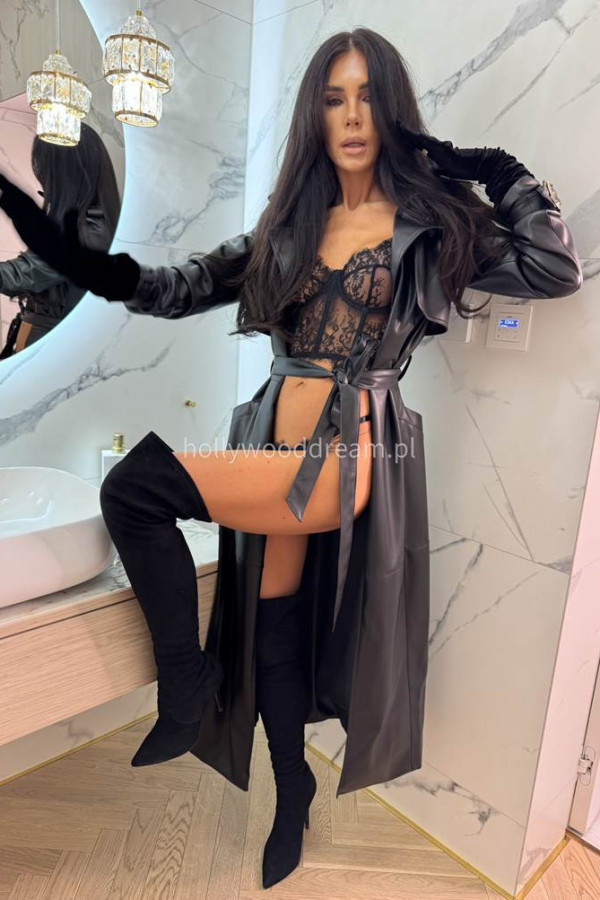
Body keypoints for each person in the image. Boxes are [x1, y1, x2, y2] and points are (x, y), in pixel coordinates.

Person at [0, 27, 582, 891]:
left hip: (350, 455)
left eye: (368, 97)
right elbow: (177, 287)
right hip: (273, 446)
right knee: (272, 627)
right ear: (316, 113)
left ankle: (186, 686)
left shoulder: (433, 225)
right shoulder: (286, 226)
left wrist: (491, 168)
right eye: (333, 98)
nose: (351, 116)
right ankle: (291, 791)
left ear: (392, 111)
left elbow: (554, 267)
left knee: (136, 487)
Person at [0, 122, 120, 358]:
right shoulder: (86, 225)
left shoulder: (89, 234)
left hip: (48, 350)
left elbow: (18, 276)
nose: (43, 181)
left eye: (47, 173)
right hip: (40, 343)